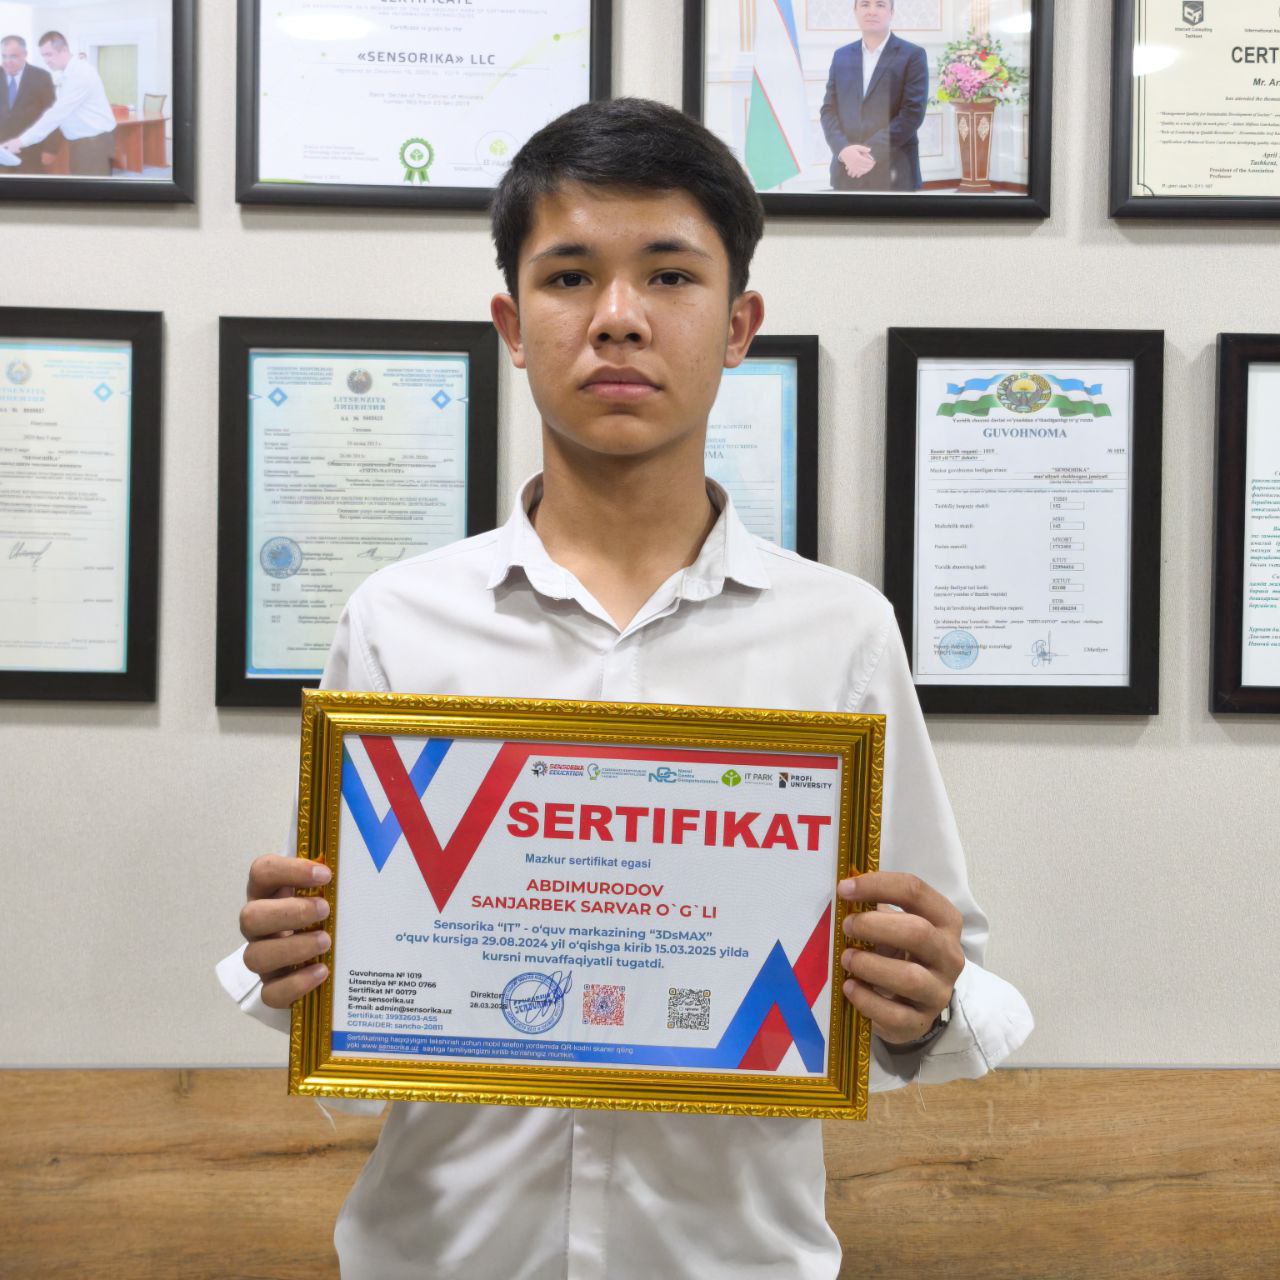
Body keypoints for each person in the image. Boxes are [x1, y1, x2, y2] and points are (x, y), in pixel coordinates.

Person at [219, 97, 1032, 1278]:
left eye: (668, 275)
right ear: (511, 323)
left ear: (737, 323)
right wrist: (301, 970)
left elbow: (942, 975)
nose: (616, 317)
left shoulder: (840, 631)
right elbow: (356, 1030)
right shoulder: (397, 620)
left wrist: (924, 1000)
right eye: (568, 277)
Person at [820, 0, 929, 192]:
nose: (872, 11)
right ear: (855, 11)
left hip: (895, 172)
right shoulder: (841, 56)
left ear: (891, 12)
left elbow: (912, 114)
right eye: (865, 4)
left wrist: (865, 155)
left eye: (880, 5)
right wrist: (844, 151)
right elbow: (828, 110)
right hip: (846, 171)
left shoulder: (913, 55)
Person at [1, 30, 116, 176]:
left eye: (49, 54)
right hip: (82, 144)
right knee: (83, 187)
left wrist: (21, 141)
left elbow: (56, 114)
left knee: (92, 189)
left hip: (93, 144)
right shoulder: (66, 74)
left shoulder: (81, 74)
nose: (46, 60)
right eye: (43, 55)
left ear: (64, 50)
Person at [0, 35, 55, 174]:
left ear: (25, 55)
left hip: (31, 151)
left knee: (29, 186)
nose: (7, 61)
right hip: (2, 152)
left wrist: (50, 149)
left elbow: (52, 114)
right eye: (4, 56)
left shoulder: (41, 77)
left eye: (13, 56)